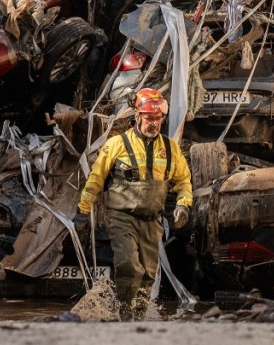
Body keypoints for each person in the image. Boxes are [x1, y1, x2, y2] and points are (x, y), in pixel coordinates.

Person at [76, 87, 192, 319]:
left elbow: (183, 181)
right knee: (130, 266)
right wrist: (83, 210)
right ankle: (124, 311)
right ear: (137, 116)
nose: (153, 123)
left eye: (158, 119)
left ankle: (137, 318)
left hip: (152, 220)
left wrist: (183, 205)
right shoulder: (116, 144)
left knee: (148, 273)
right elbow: (96, 178)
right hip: (122, 216)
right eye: (149, 118)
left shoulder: (170, 148)